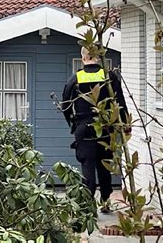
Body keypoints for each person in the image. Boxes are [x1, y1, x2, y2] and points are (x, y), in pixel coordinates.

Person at [61, 47, 129, 212]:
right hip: (105, 127)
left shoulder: (75, 79)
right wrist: (125, 125)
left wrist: (73, 124)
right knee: (104, 166)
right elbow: (119, 101)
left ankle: (87, 206)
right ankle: (106, 201)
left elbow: (65, 105)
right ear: (98, 58)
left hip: (83, 127)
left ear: (83, 58)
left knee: (88, 167)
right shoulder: (109, 76)